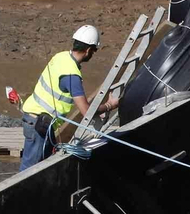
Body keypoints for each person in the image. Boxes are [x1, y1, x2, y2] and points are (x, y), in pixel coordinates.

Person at [18, 25, 119, 169]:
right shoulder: (72, 75)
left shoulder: (60, 56)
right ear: (89, 50)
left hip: (34, 118)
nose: (93, 54)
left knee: (38, 167)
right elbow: (86, 111)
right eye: (94, 51)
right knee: (29, 172)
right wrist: (110, 105)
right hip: (39, 125)